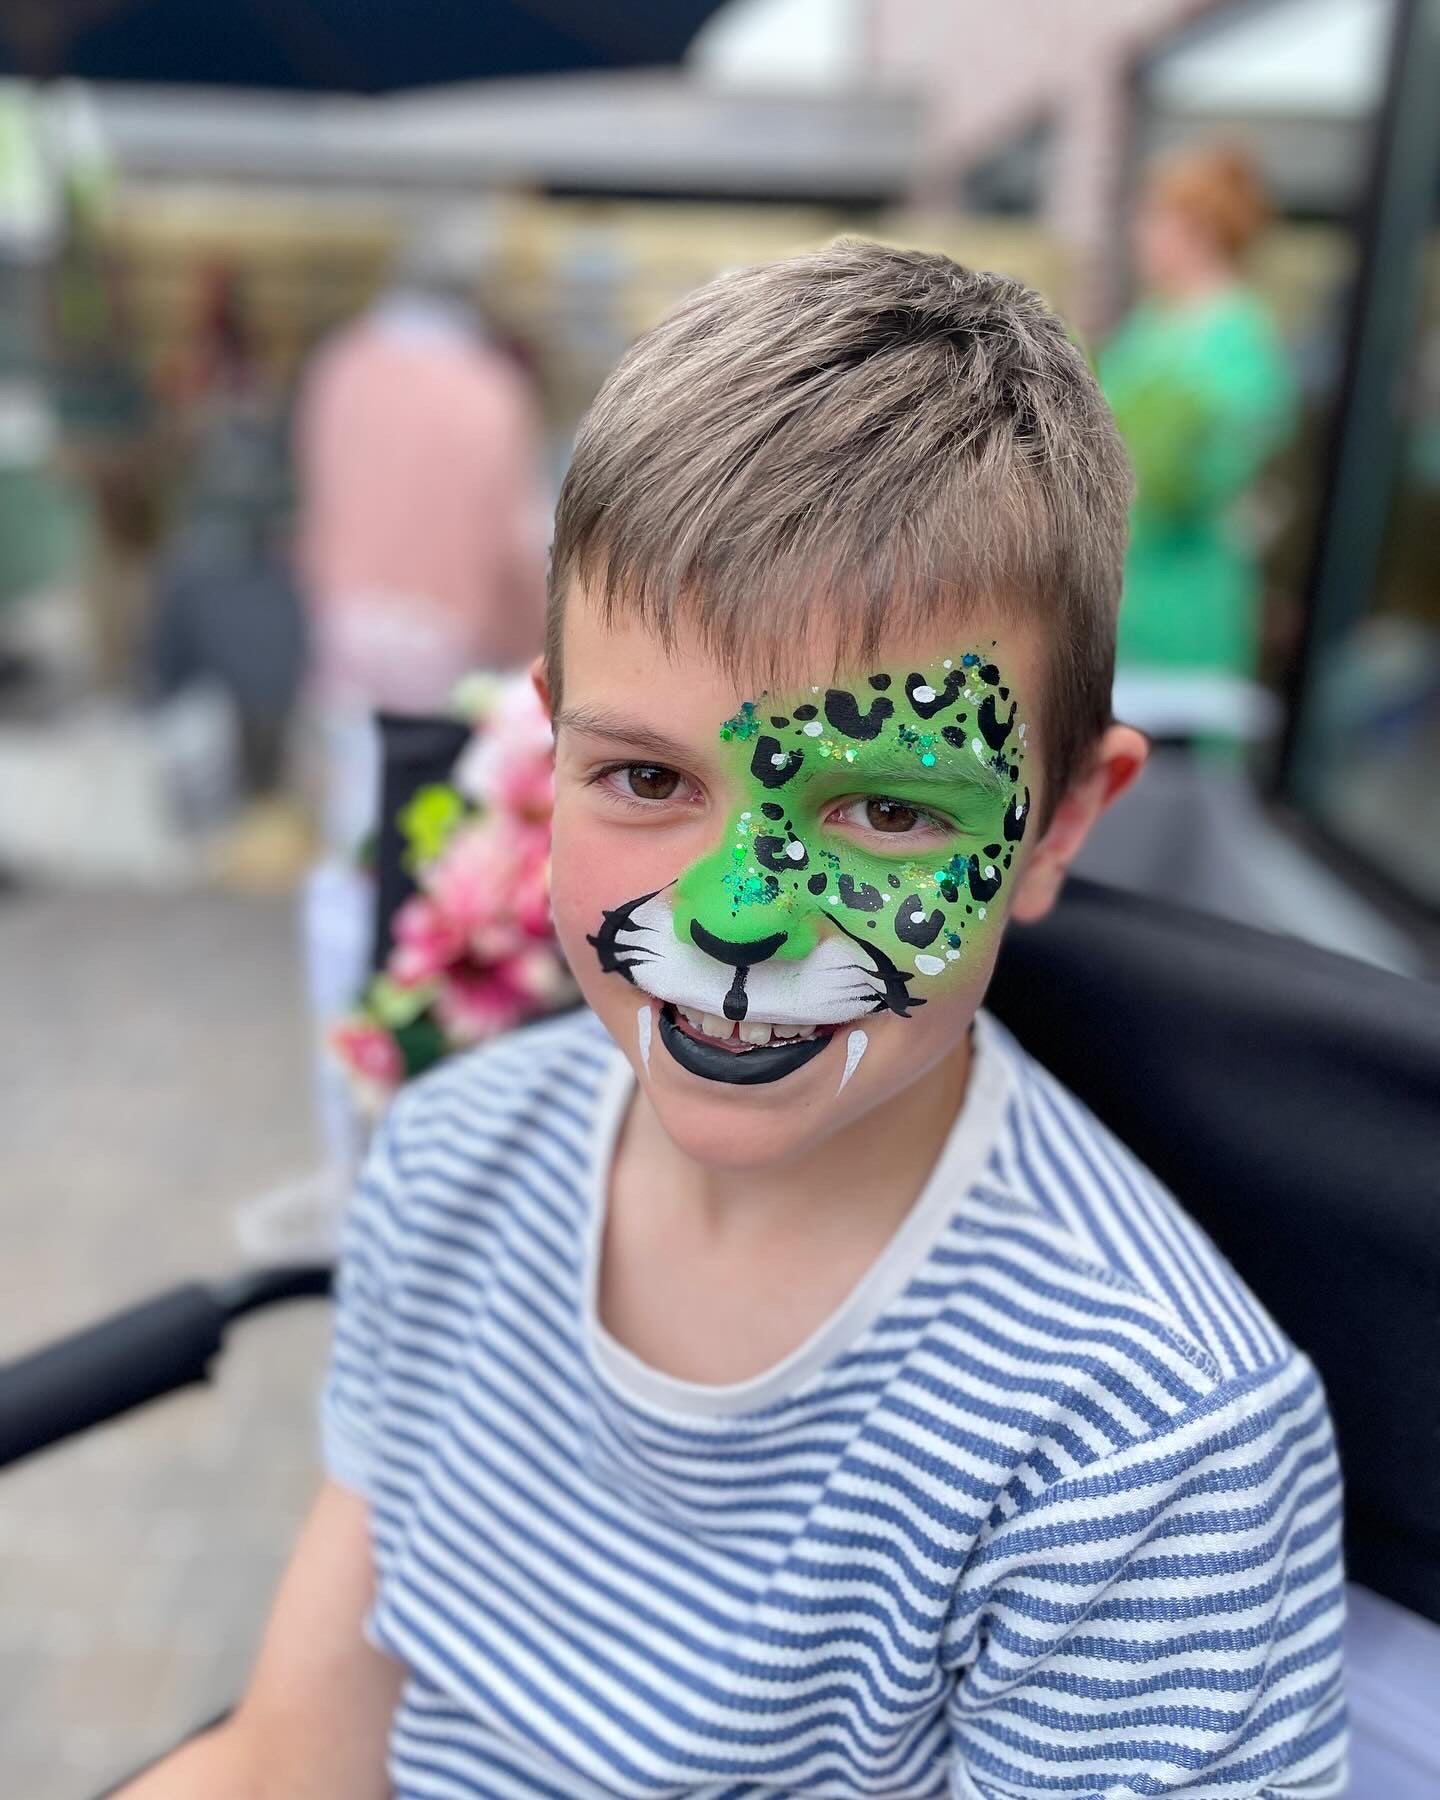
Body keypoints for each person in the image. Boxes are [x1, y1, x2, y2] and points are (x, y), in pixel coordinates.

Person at [122, 243, 1348, 1799]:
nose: (735, 919)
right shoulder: (451, 1162)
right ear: (550, 754)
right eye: (645, 779)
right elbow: (293, 1758)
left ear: (1056, 827)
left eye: (887, 809)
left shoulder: (1142, 1442)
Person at [294, 216, 549, 855]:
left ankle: (353, 904)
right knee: (429, 821)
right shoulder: (488, 390)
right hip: (446, 632)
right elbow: (514, 540)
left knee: (351, 805)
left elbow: (316, 494)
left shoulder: (342, 368)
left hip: (346, 617)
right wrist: (539, 643)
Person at [1099, 143, 1296, 708]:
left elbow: (1212, 473)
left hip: (1181, 591)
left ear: (1199, 231)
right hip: (1124, 582)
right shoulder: (1152, 322)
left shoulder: (1239, 339)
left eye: (1154, 218)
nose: (1140, 234)